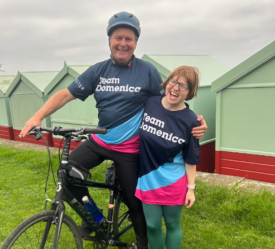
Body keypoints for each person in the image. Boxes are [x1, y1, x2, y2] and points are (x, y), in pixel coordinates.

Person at [20, 12, 207, 249]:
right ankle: (94, 217)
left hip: (130, 148)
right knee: (67, 172)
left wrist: (193, 121)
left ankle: (141, 243)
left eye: (129, 38)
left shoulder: (147, 71)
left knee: (134, 201)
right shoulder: (98, 71)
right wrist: (38, 116)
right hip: (101, 141)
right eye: (118, 37)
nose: (123, 43)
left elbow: (171, 100)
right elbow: (66, 94)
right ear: (109, 40)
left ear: (136, 42)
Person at [135, 66, 201, 249]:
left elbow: (191, 158)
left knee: (172, 225)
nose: (176, 88)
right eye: (173, 81)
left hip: (174, 182)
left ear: (189, 93)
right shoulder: (149, 103)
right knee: (152, 225)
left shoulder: (191, 121)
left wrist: (191, 189)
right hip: (148, 179)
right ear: (166, 82)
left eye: (183, 86)